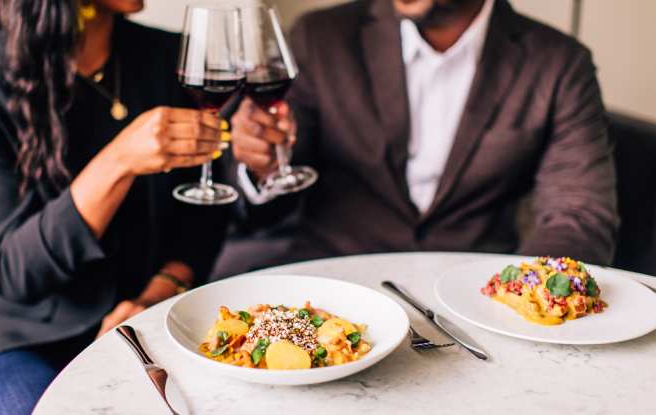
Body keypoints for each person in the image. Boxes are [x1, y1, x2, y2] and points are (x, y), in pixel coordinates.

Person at [0, 1, 231, 414]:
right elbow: (14, 274)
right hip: (19, 337)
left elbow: (206, 210)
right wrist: (118, 161)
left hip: (152, 314)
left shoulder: (176, 58)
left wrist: (159, 293)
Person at [227, 0, 618, 275]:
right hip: (330, 280)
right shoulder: (321, 36)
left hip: (475, 294)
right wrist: (262, 164)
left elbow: (579, 214)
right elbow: (272, 199)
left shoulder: (559, 63)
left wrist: (526, 293)